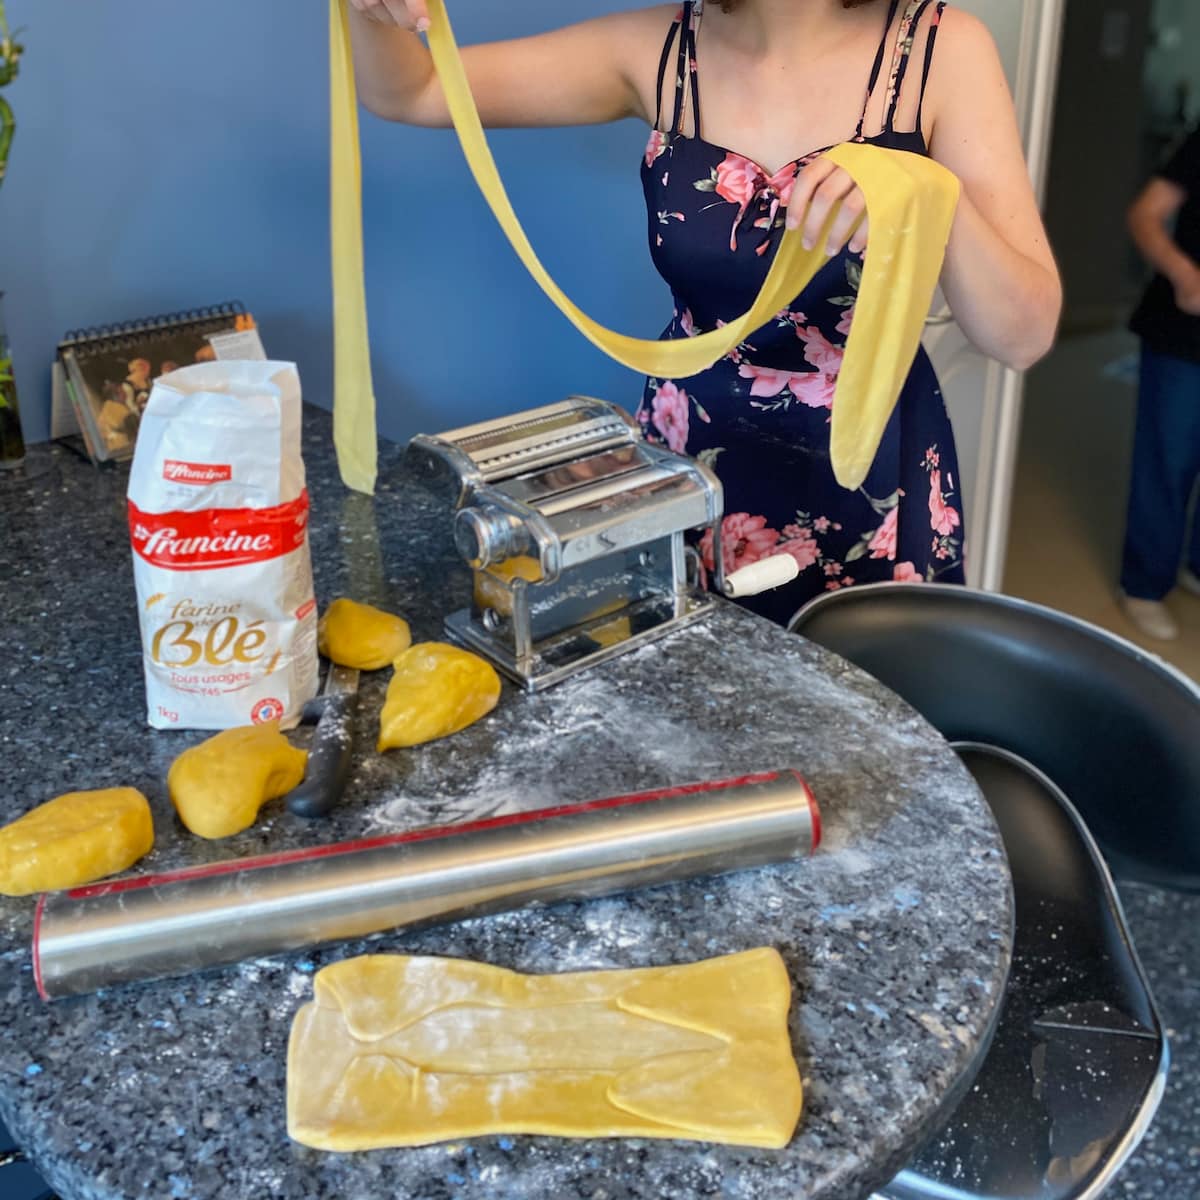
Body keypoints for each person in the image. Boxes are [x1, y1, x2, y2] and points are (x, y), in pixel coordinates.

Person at [347, 0, 1061, 624]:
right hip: (692, 466)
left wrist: (928, 189)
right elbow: (413, 90)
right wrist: (372, 12)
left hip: (873, 480)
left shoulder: (943, 51)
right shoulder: (660, 49)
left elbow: (1022, 336)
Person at [1120, 122, 1200, 641]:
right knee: (1168, 461)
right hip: (1183, 331)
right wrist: (1185, 274)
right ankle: (1144, 586)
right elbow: (1145, 214)